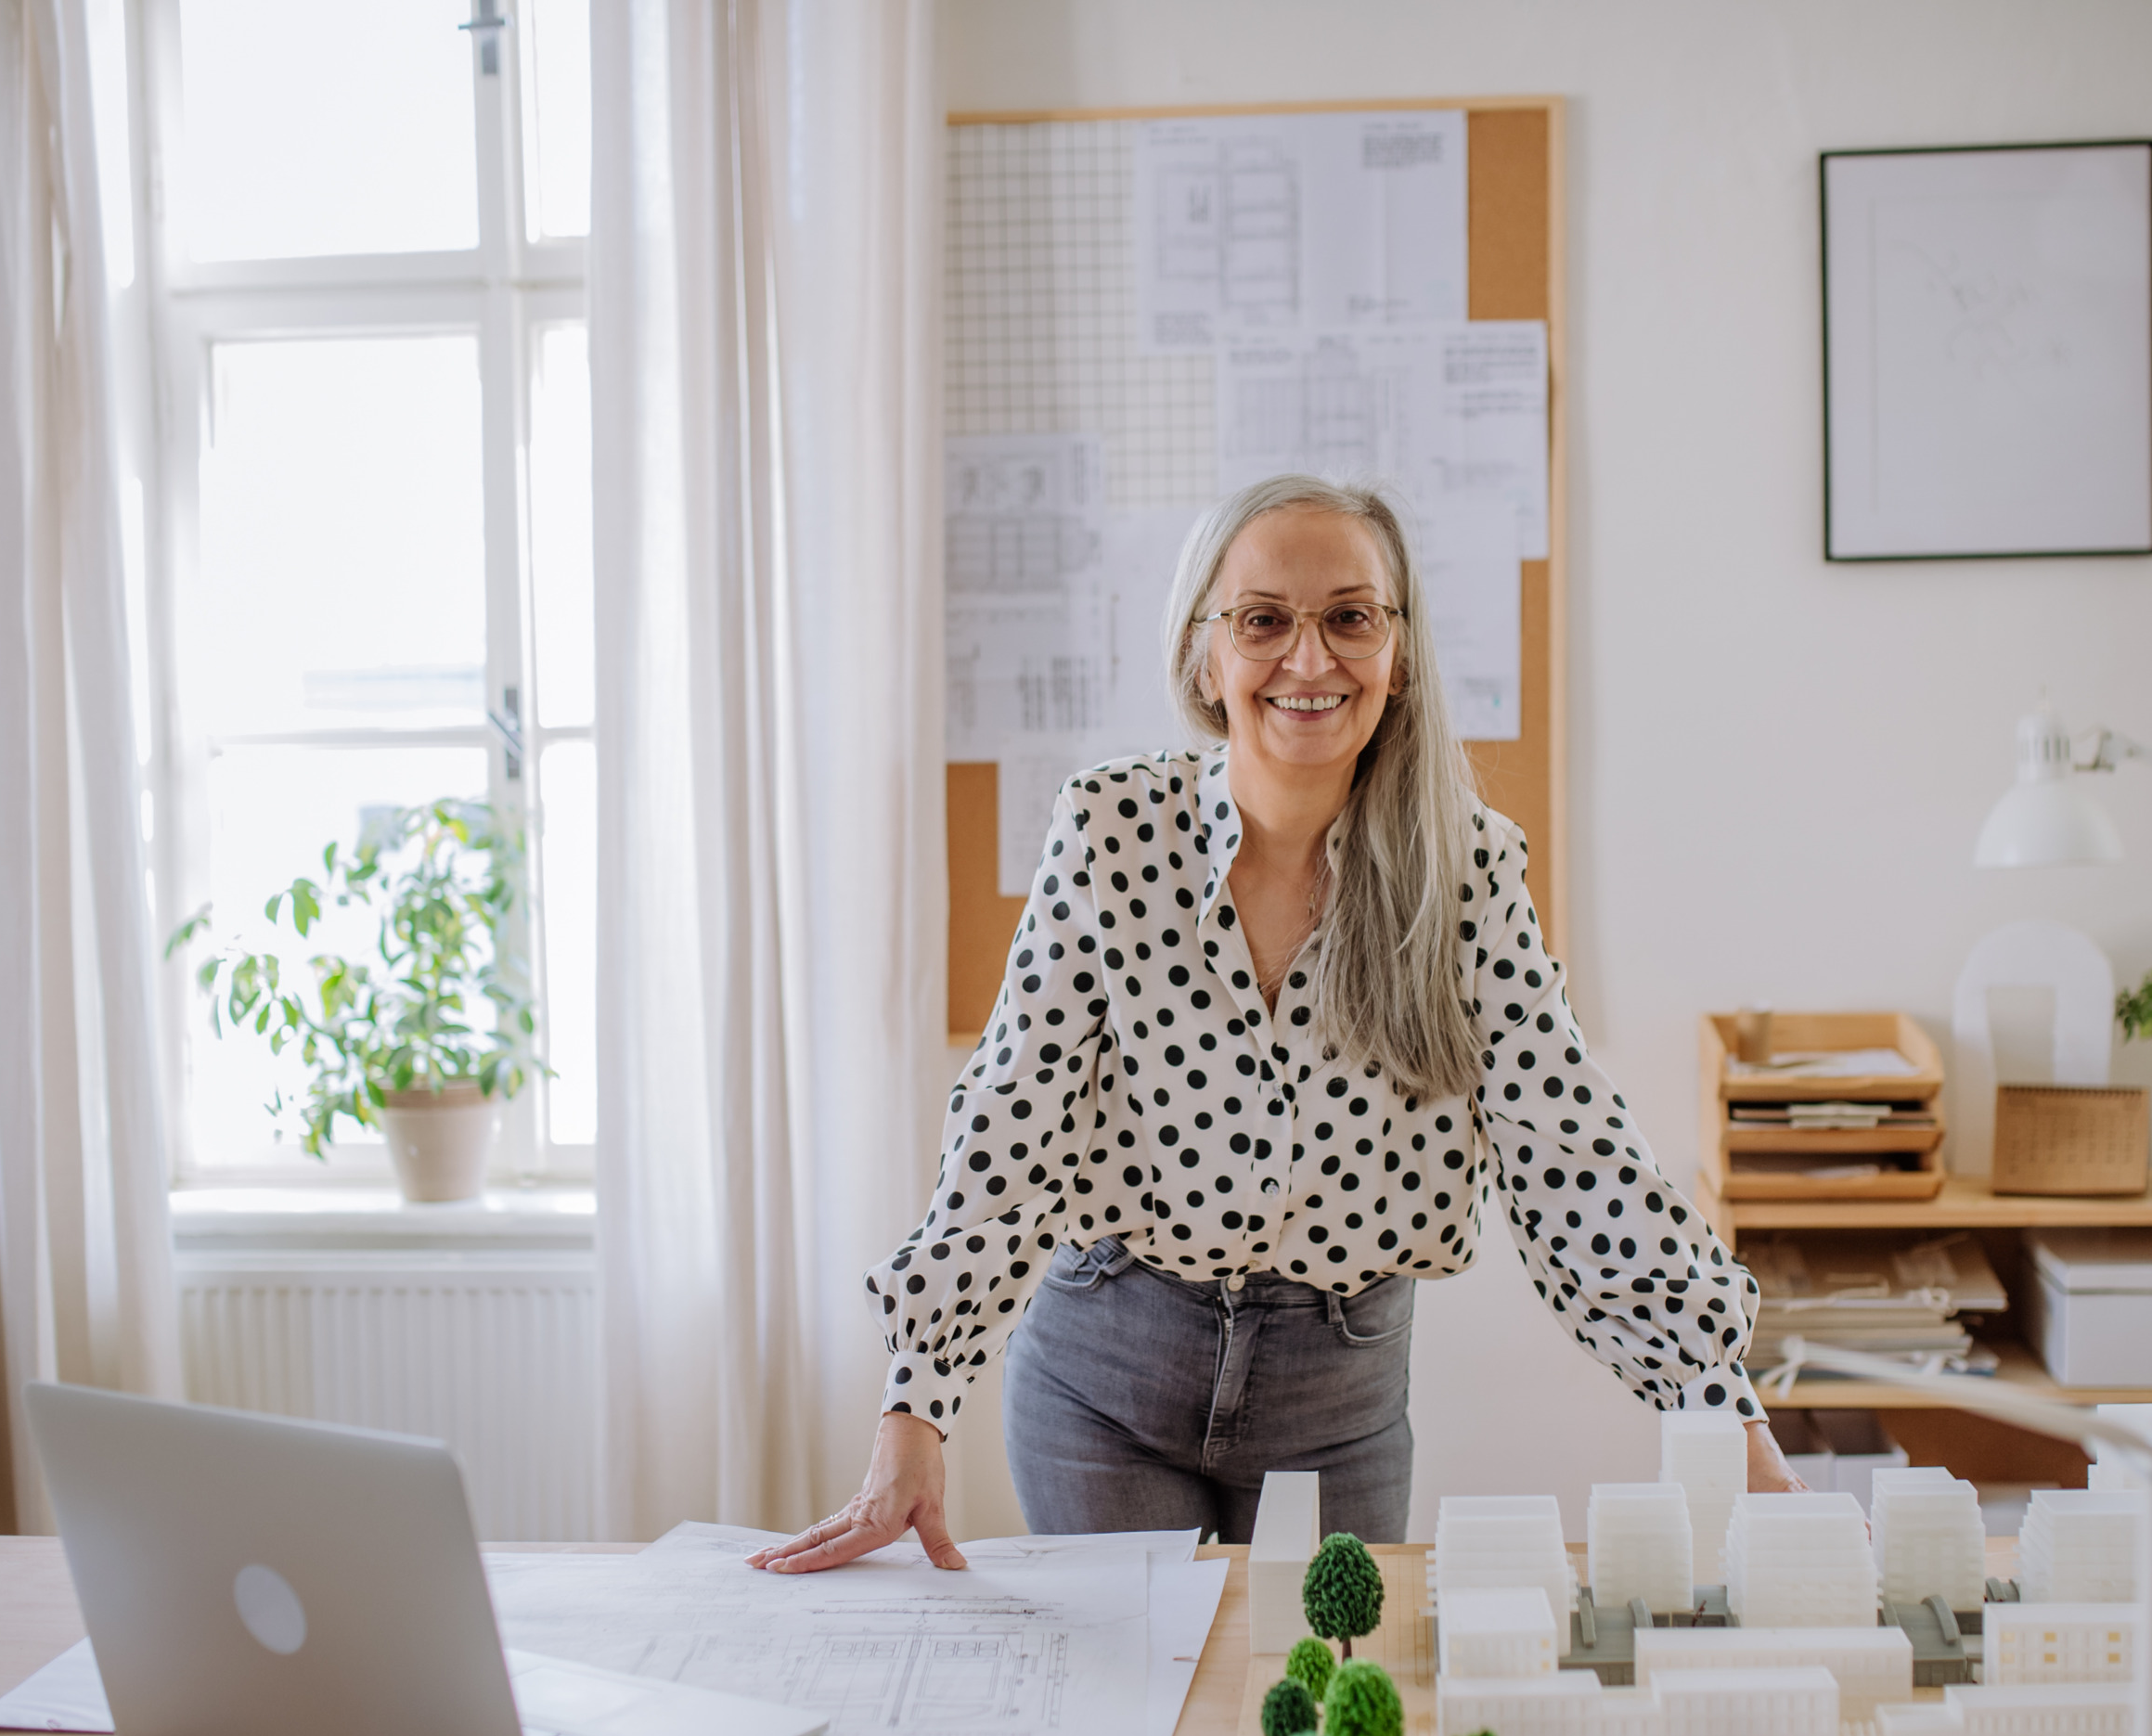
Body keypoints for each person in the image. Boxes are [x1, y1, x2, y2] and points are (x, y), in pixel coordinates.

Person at [751, 475, 1799, 1575]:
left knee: (1312, 1711)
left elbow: (1572, 1156)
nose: (1309, 660)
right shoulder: (1110, 834)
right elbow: (1013, 1128)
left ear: (1396, 655)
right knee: (1138, 1720)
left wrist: (1723, 1416)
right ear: (1206, 654)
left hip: (1334, 1394)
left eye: (1350, 617)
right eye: (1263, 621)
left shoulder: (1470, 871)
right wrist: (914, 1408)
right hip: (1105, 1372)